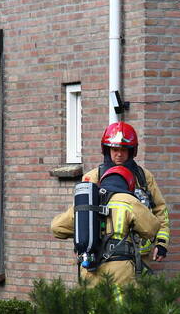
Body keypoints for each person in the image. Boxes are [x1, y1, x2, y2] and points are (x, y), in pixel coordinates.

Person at [51, 165, 161, 298]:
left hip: (90, 268)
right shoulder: (128, 201)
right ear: (129, 185)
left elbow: (56, 227)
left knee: (93, 313)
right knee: (121, 313)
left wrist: (84, 230)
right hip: (120, 269)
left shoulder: (87, 203)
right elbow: (152, 229)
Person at [81, 122, 170, 269]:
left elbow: (160, 210)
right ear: (107, 150)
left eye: (124, 149)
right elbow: (80, 215)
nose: (119, 154)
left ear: (132, 151)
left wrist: (161, 243)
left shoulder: (144, 177)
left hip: (141, 256)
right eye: (115, 149)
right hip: (103, 257)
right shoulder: (92, 178)